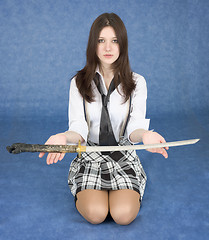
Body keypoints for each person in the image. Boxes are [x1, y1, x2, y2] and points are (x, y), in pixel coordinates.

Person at [39, 13, 169, 225]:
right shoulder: (78, 82)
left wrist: (146, 135)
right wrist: (62, 137)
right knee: (96, 214)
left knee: (123, 215)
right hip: (90, 155)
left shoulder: (137, 82)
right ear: (93, 44)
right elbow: (79, 128)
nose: (108, 48)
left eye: (114, 41)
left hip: (123, 155)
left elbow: (133, 128)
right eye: (101, 41)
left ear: (123, 44)